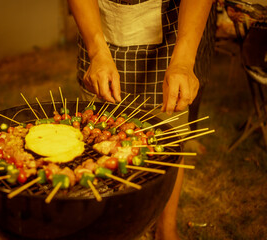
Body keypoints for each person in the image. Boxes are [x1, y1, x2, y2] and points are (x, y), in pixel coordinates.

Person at [67, 0, 213, 239]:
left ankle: (166, 228)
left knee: (169, 140)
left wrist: (184, 61)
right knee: (94, 136)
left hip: (171, 34)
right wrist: (96, 51)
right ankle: (108, 224)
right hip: (98, 25)